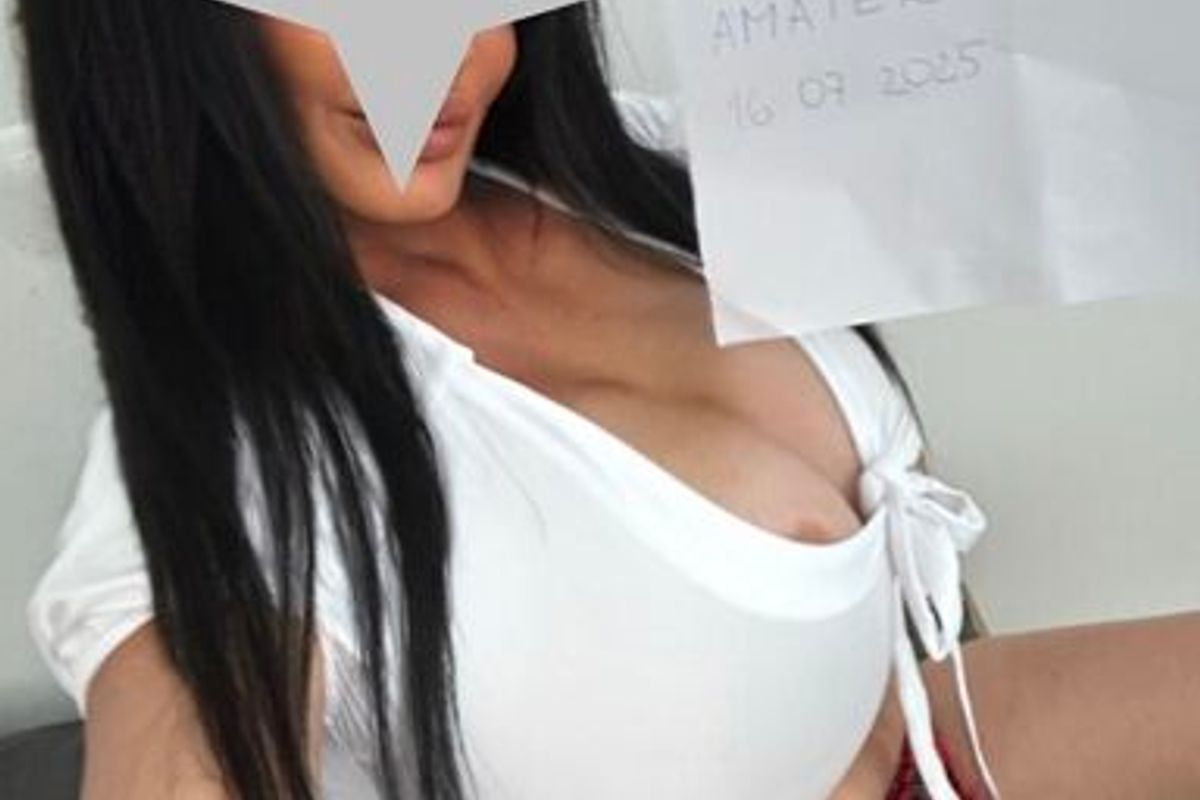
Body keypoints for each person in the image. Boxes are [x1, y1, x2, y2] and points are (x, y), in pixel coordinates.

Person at [12, 1, 1200, 798]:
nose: (452, 60)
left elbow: (1129, 103)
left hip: (929, 742)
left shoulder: (628, 171)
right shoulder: (224, 471)